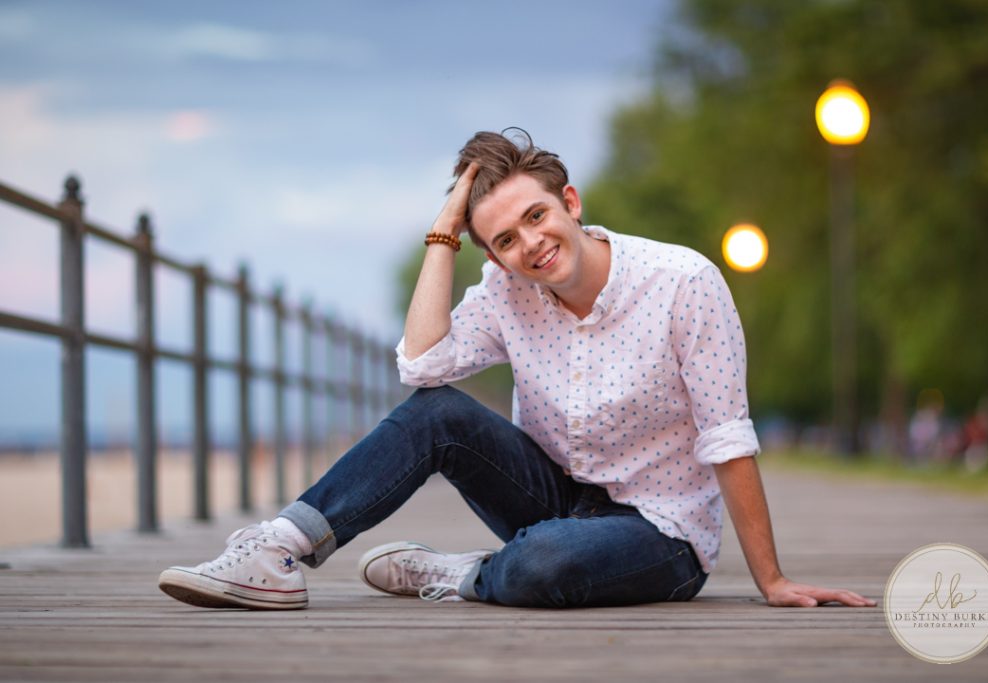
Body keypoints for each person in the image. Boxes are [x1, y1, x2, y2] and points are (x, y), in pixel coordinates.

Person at [158, 129, 876, 610]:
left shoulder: (683, 282)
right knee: (438, 412)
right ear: (493, 255)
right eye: (505, 238)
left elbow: (728, 437)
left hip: (660, 534)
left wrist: (772, 579)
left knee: (544, 564)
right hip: (552, 498)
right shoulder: (508, 292)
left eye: (536, 217)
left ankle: (461, 573)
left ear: (569, 202)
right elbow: (421, 363)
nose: (531, 244)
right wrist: (445, 233)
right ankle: (279, 549)